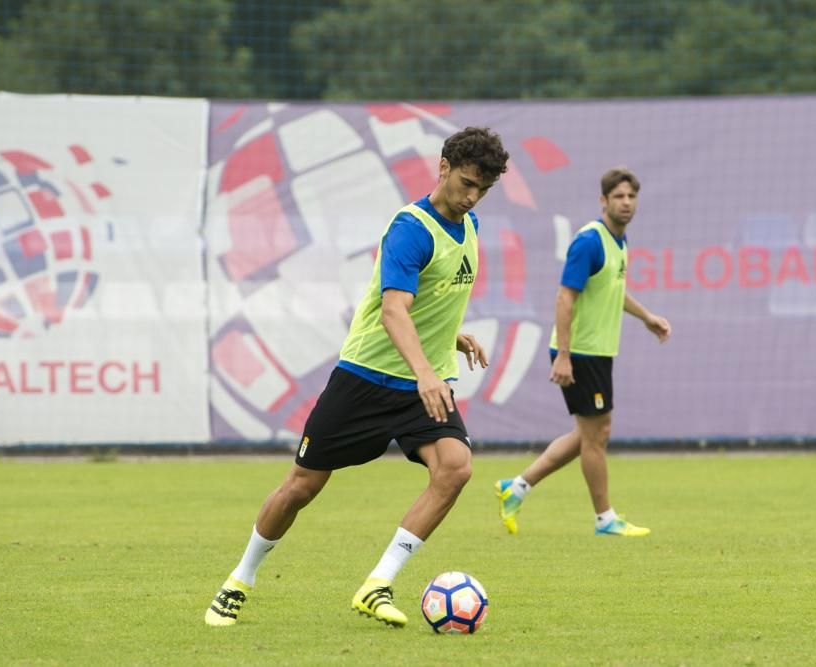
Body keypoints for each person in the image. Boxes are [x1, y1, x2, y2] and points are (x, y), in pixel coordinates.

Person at [205, 127, 510, 628]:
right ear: (443, 166)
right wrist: (427, 374)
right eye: (467, 182)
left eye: (483, 188)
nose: (473, 195)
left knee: (455, 468)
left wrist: (452, 338)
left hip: (421, 384)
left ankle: (378, 584)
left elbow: (425, 300)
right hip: (366, 378)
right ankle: (240, 579)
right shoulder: (411, 227)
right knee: (301, 487)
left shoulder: (470, 225)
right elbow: (392, 311)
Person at [494, 167, 671, 538]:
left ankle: (518, 487)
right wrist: (564, 355)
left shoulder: (618, 242)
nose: (626, 203)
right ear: (603, 201)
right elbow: (565, 296)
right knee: (597, 435)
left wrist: (646, 317)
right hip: (580, 353)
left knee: (588, 433)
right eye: (618, 196)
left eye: (631, 196)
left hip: (598, 352)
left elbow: (612, 290)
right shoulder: (589, 241)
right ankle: (604, 518)